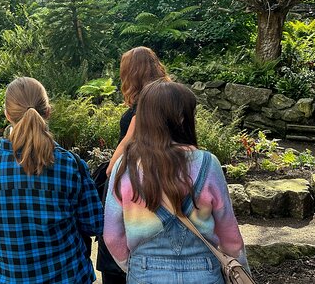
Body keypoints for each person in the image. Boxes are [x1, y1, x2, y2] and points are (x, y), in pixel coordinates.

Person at [104, 81, 249, 283]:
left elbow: (111, 235)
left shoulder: (124, 165)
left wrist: (132, 264)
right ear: (182, 118)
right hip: (204, 271)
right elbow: (229, 234)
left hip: (145, 272)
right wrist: (241, 269)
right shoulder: (208, 163)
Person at [0, 77, 104, 284]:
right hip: (67, 276)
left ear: (7, 114)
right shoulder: (70, 164)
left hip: (7, 277)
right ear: (48, 111)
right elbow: (94, 224)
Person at [96, 46, 170, 284]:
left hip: (133, 190)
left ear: (133, 74)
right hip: (164, 188)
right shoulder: (169, 102)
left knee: (116, 265)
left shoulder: (141, 113)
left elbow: (115, 165)